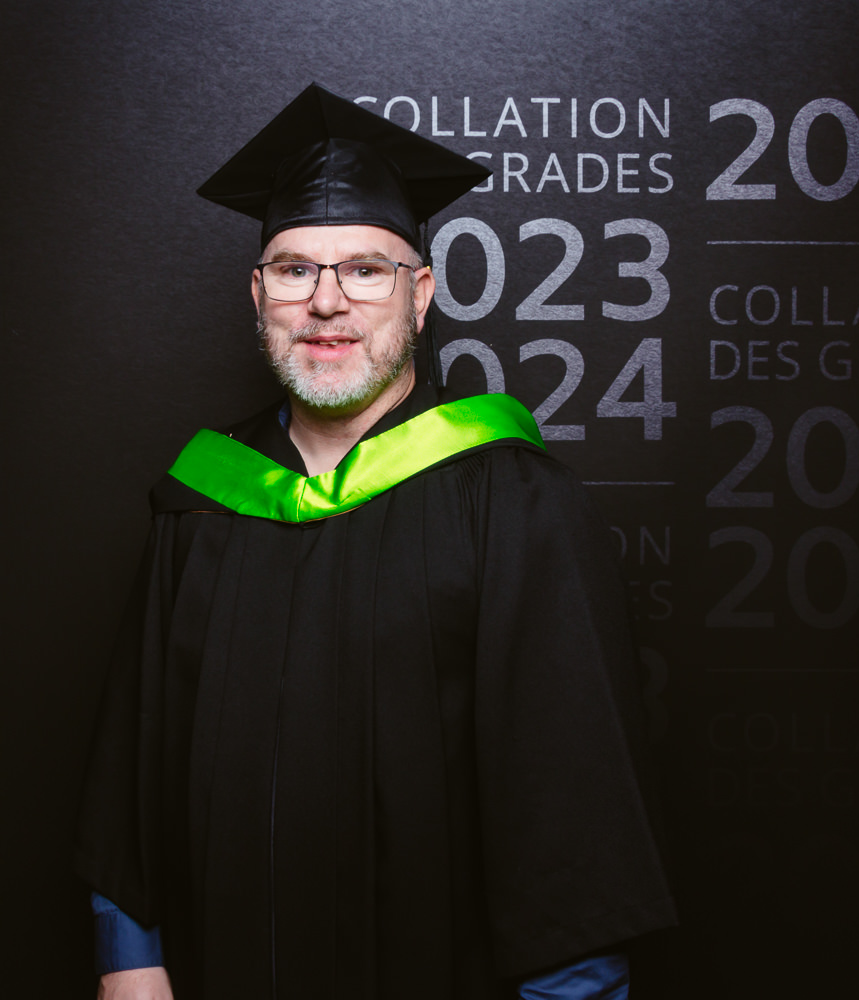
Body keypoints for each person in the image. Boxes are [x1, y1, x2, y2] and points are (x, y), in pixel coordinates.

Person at [75, 84, 676, 1000]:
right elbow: (137, 756)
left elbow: (569, 804)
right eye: (294, 270)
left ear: (420, 296)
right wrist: (131, 959)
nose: (327, 302)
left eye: (365, 269)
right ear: (259, 294)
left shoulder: (512, 502)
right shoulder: (199, 505)